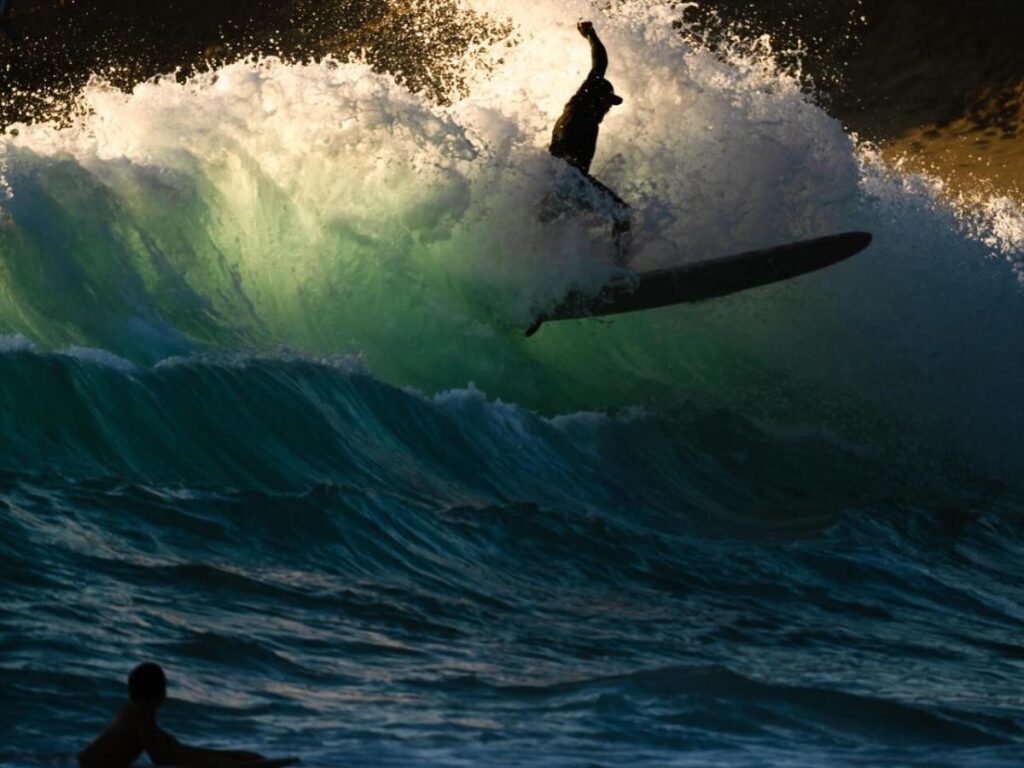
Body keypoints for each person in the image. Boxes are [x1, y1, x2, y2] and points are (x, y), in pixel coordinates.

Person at [544, 20, 631, 262]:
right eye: (607, 100)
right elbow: (600, 64)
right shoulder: (580, 105)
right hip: (567, 179)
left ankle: (557, 277)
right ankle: (619, 271)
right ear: (596, 95)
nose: (608, 106)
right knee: (622, 214)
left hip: (558, 180)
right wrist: (591, 34)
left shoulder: (585, 113)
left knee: (553, 227)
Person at [78, 662, 268, 768]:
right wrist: (231, 765)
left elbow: (176, 750)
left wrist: (233, 756)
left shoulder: (133, 714)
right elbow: (167, 756)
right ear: (161, 693)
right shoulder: (139, 718)